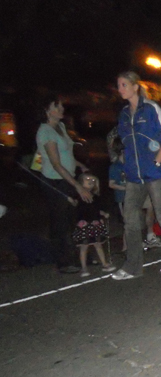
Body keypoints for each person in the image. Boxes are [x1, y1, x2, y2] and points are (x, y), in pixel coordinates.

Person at [112, 71, 161, 279]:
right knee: (130, 220)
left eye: (124, 85)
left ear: (135, 87)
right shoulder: (124, 114)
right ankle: (132, 267)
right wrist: (127, 165)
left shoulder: (151, 108)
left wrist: (157, 161)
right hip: (134, 176)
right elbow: (125, 143)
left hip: (157, 173)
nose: (120, 89)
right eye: (118, 85)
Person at [35, 96, 93, 273]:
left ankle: (80, 257)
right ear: (46, 111)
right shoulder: (45, 131)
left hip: (67, 178)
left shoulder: (60, 126)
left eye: (61, 106)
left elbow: (67, 154)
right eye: (56, 107)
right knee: (61, 222)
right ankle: (64, 262)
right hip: (55, 181)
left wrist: (79, 165)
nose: (61, 109)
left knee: (73, 218)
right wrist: (77, 186)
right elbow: (56, 163)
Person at [71, 173, 115, 277]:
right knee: (84, 246)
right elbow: (75, 206)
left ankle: (104, 264)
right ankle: (84, 268)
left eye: (93, 180)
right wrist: (72, 201)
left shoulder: (95, 197)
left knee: (98, 244)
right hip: (84, 224)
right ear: (81, 182)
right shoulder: (78, 195)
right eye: (87, 179)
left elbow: (97, 209)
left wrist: (103, 214)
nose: (91, 181)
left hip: (95, 223)